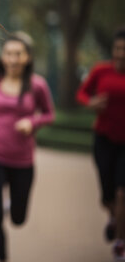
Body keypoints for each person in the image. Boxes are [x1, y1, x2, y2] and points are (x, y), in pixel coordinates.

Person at [0, 32, 55, 262]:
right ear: (4, 56)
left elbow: (50, 114)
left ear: (27, 57)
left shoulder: (37, 85)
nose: (13, 58)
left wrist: (32, 122)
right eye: (9, 53)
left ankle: (13, 205)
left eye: (18, 54)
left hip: (22, 162)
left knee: (18, 219)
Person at [77, 27, 125, 261]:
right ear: (113, 49)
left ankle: (120, 241)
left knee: (122, 192)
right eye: (118, 48)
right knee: (107, 195)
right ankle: (116, 218)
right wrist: (92, 103)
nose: (122, 54)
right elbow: (82, 94)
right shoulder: (101, 71)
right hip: (104, 139)